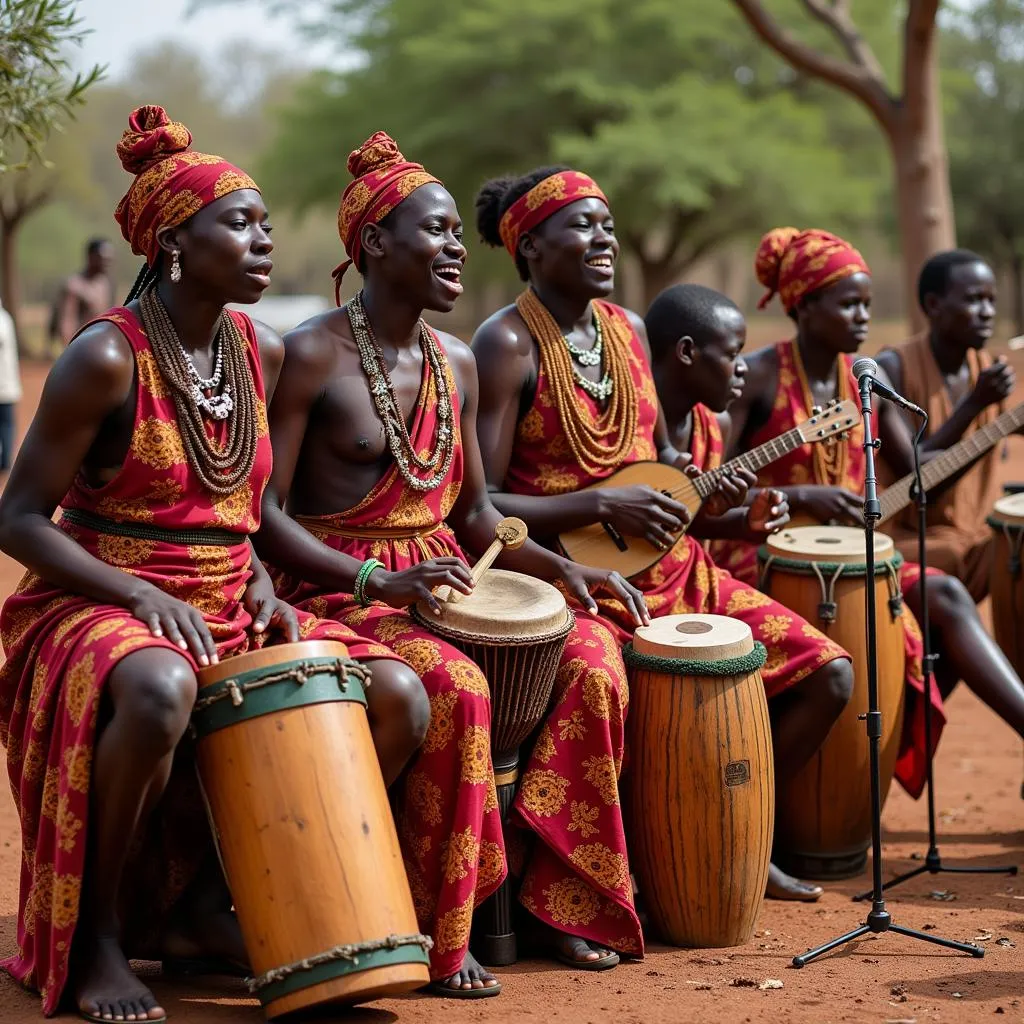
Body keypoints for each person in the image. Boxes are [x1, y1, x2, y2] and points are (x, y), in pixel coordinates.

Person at [0, 106, 428, 1024]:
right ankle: (99, 937)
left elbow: (246, 516)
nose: (264, 239)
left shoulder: (258, 349)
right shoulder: (106, 356)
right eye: (240, 223)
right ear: (173, 240)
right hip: (98, 593)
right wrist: (141, 594)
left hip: (229, 596)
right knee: (160, 689)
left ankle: (207, 905)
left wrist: (268, 585)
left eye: (267, 223)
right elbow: (21, 518)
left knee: (394, 694)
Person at [259, 133, 651, 996]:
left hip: (444, 569)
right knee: (459, 688)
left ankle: (563, 899)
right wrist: (376, 582)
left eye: (453, 235)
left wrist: (555, 569)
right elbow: (267, 516)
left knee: (592, 660)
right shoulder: (311, 353)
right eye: (434, 233)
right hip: (339, 581)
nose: (454, 251)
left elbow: (475, 513)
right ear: (373, 245)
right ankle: (446, 925)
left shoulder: (458, 362)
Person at [470, 167, 858, 903]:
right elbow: (484, 502)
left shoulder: (627, 330)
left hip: (674, 569)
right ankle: (576, 890)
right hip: (563, 576)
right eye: (581, 225)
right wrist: (600, 503)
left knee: (827, 672)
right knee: (599, 681)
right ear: (530, 246)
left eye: (607, 224)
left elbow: (653, 487)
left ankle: (735, 831)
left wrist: (720, 517)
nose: (603, 237)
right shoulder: (506, 343)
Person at [724, 227, 1024, 798]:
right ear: (803, 305)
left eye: (866, 303)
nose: (864, 316)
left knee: (945, 594)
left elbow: (916, 468)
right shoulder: (760, 376)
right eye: (848, 304)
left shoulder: (864, 376)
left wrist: (988, 417)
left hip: (850, 559)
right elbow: (715, 491)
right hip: (760, 561)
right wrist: (805, 498)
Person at [874, 250, 1015, 602]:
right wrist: (974, 404)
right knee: (949, 557)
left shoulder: (983, 366)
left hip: (975, 532)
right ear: (934, 305)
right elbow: (919, 480)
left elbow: (1009, 426)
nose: (987, 311)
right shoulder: (891, 368)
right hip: (909, 534)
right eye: (973, 299)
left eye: (991, 300)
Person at [51, 239, 116, 350]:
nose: (106, 264)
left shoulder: (104, 283)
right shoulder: (74, 285)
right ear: (90, 257)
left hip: (100, 345)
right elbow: (67, 322)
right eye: (102, 259)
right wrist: (70, 350)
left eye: (109, 260)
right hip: (80, 347)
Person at [0, 292, 22, 476]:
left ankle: (5, 464)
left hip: (4, 386)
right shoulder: (5, 317)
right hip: (6, 385)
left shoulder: (2, 320)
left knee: (6, 425)